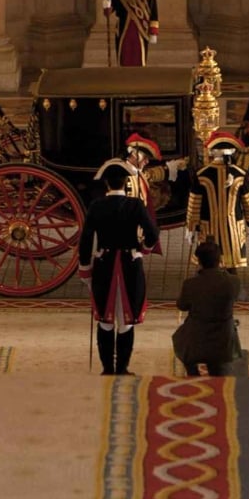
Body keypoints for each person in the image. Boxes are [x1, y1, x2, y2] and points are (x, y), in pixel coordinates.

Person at [79, 160, 160, 375]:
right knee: (126, 322)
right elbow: (152, 233)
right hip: (129, 266)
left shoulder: (96, 206)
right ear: (126, 182)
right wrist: (143, 250)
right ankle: (122, 368)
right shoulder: (135, 205)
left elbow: (86, 239)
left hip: (104, 265)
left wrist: (85, 268)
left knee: (105, 321)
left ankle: (107, 368)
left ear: (106, 183)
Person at [184, 130, 249, 269]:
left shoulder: (201, 175)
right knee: (231, 268)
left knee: (209, 266)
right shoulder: (241, 174)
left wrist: (191, 227)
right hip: (234, 230)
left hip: (209, 230)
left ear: (212, 151)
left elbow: (194, 205)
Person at [172, 241, 243, 376]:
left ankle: (193, 374)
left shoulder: (190, 284)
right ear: (220, 260)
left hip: (196, 340)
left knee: (181, 339)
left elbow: (181, 305)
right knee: (221, 376)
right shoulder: (233, 282)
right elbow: (241, 296)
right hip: (223, 341)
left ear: (199, 262)